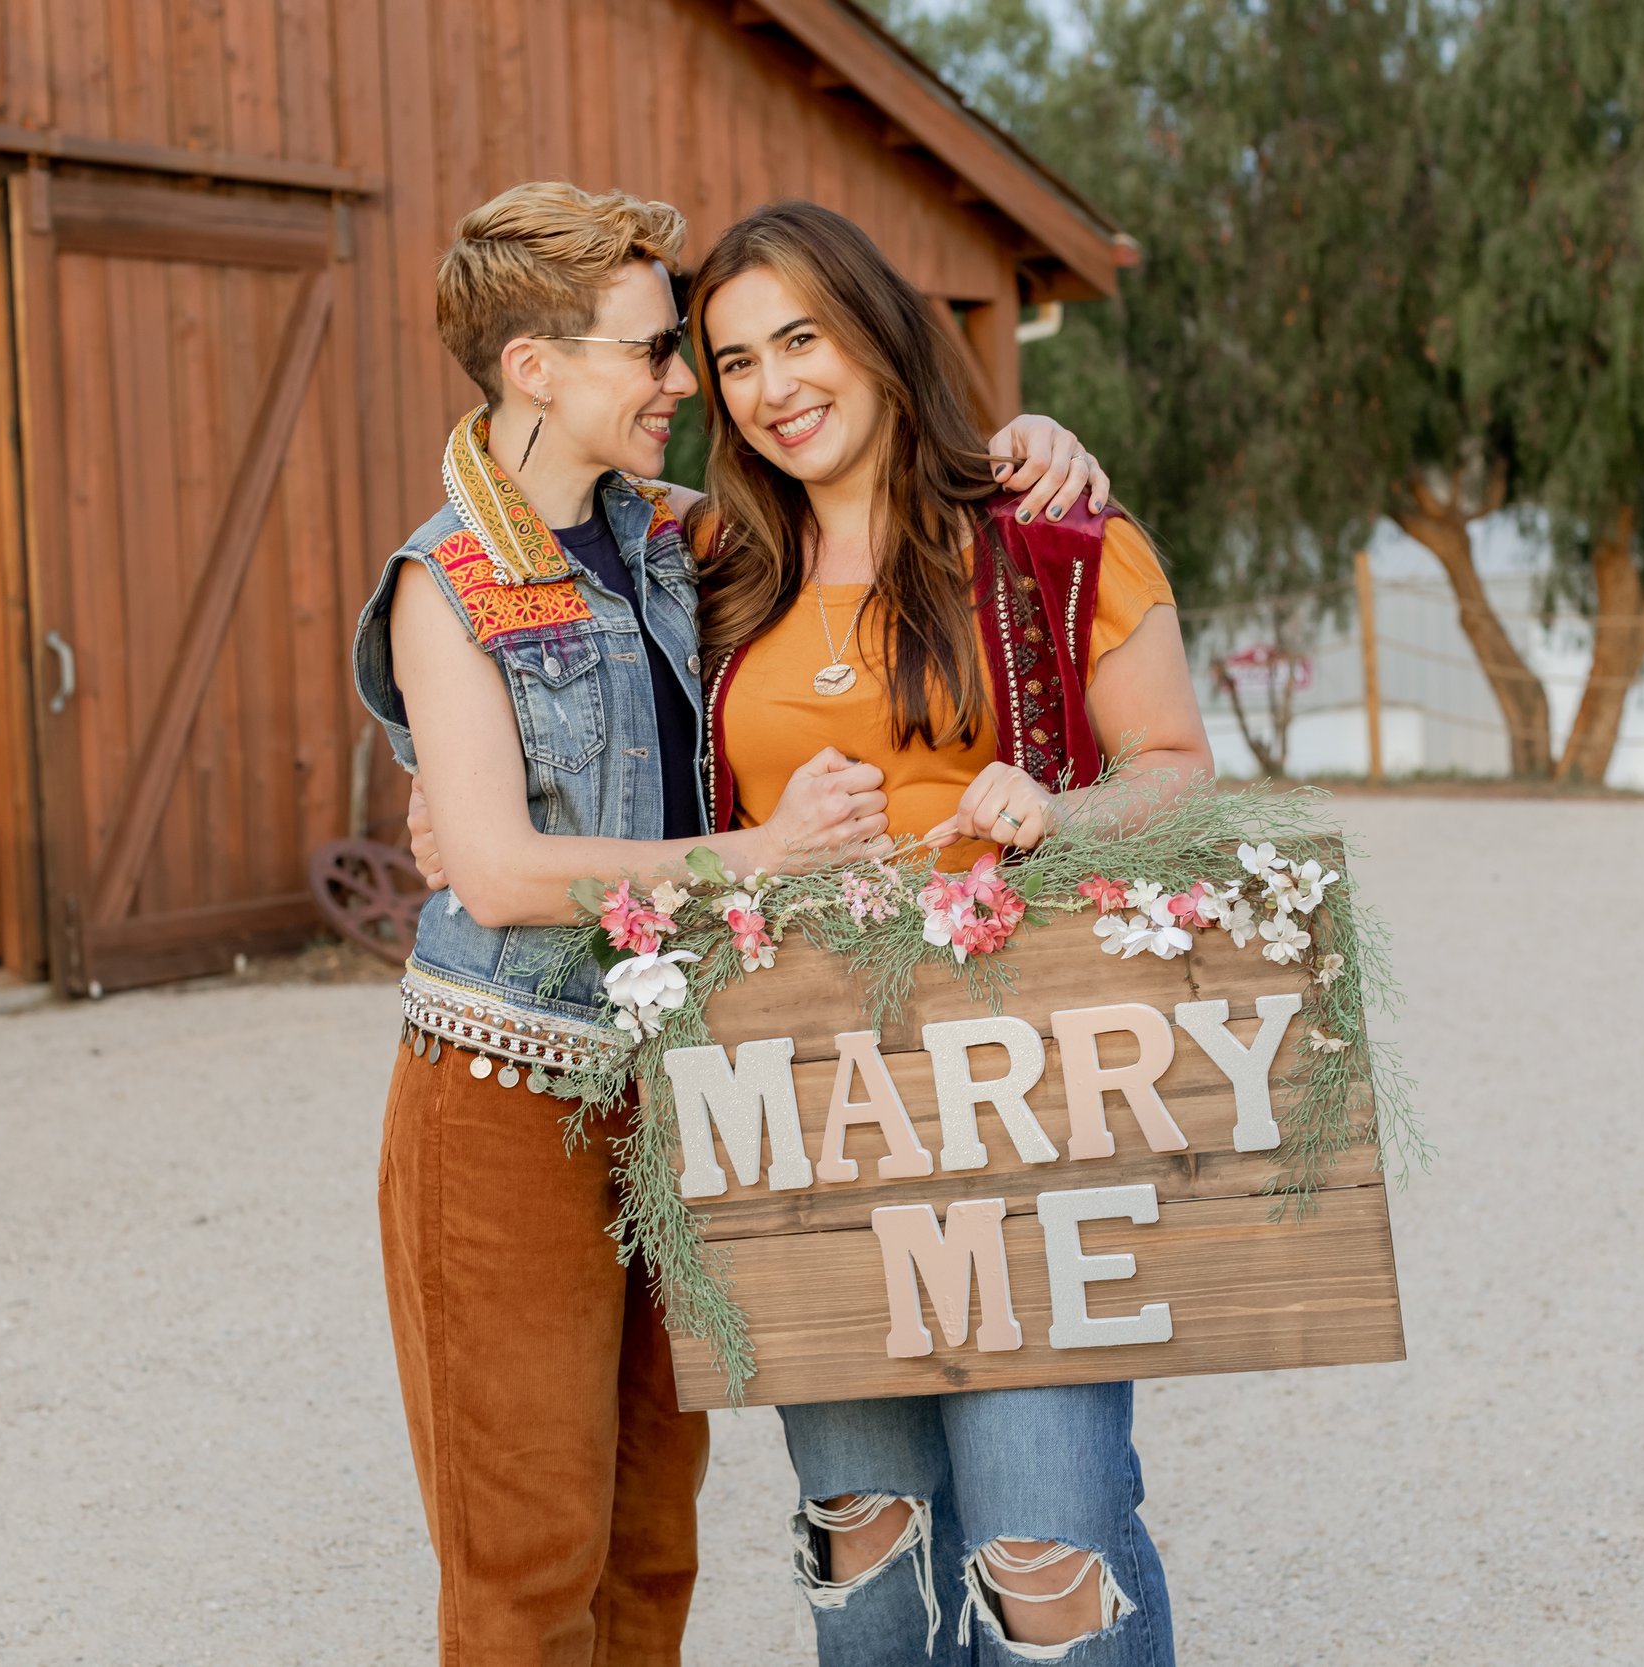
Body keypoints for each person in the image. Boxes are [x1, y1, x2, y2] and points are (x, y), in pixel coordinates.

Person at [352, 179, 1112, 1666]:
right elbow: (500, 879)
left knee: (651, 1545)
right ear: (536, 369)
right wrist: (753, 857)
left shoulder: (682, 543)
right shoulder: (441, 585)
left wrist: (1024, 450)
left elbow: (864, 499)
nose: (687, 383)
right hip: (505, 1090)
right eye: (652, 352)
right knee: (526, 1554)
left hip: (680, 1088)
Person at [684, 200, 1213, 1665]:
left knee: (1045, 1538)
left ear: (880, 328)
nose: (775, 385)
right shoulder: (712, 572)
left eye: (803, 337)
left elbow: (1172, 770)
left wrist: (1056, 811)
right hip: (808, 1108)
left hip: (1026, 1094)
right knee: (867, 1532)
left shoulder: (1051, 534)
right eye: (734, 361)